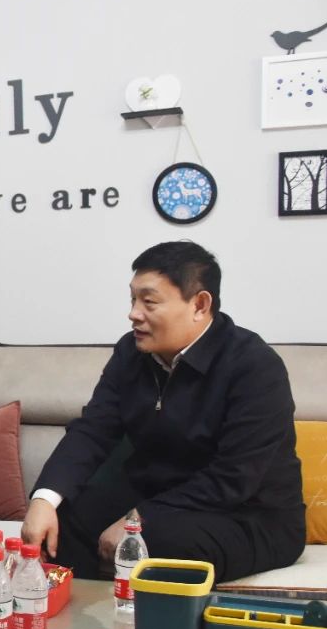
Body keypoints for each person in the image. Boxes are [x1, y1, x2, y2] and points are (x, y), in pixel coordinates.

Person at [21, 241, 305, 583]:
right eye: (132, 299)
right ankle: (79, 614)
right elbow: (93, 429)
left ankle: (137, 616)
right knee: (63, 523)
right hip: (156, 501)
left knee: (156, 542)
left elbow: (234, 478)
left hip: (250, 516)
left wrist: (139, 520)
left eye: (149, 302)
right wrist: (44, 499)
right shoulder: (131, 353)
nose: (134, 313)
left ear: (199, 305)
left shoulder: (254, 366)